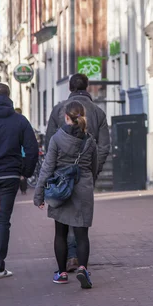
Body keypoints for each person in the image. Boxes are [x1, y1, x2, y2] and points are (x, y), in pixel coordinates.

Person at [45, 73, 110, 272]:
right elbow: (104, 146)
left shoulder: (58, 110)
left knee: (62, 223)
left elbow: (50, 145)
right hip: (84, 175)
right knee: (81, 221)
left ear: (70, 88)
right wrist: (92, 170)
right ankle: (80, 264)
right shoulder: (98, 112)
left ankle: (66, 264)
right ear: (88, 88)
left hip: (62, 175)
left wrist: (54, 174)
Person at [34, 100, 97, 288]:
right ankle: (83, 268)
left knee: (60, 233)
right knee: (82, 233)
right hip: (83, 188)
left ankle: (61, 273)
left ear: (66, 117)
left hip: (60, 190)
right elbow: (92, 169)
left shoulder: (56, 138)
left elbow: (47, 168)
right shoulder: (90, 141)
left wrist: (38, 195)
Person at [0, 83, 38, 278]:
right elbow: (32, 149)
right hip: (9, 175)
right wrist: (24, 172)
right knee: (2, 221)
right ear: (9, 96)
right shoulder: (19, 120)